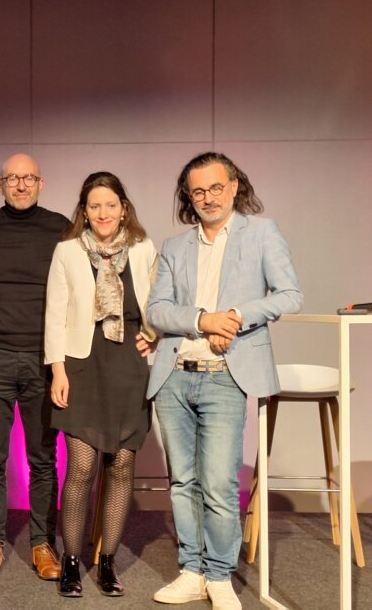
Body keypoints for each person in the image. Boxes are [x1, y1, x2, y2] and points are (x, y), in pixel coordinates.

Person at [148, 152, 302, 610]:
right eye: (198, 191)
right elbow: (157, 311)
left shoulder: (261, 233)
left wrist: (235, 316)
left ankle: (219, 575)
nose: (208, 198)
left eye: (216, 188)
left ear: (234, 186)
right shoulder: (175, 246)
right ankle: (191, 570)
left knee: (217, 483)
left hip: (225, 376)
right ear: (188, 197)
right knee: (182, 483)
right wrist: (202, 319)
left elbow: (291, 294)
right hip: (175, 375)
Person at [0, 153, 69, 581]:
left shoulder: (61, 227)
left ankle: (43, 545)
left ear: (41, 182)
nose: (20, 185)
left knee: (43, 459)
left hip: (45, 357)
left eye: (28, 178)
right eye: (12, 179)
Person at [45, 172, 158, 598]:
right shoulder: (67, 252)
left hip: (130, 367)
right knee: (81, 467)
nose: (103, 213)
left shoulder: (144, 249)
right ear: (84, 211)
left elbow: (158, 304)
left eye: (110, 205)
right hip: (81, 366)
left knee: (122, 467)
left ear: (123, 208)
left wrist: (157, 335)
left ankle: (107, 561)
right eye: (95, 206)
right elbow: (54, 315)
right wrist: (56, 369)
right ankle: (71, 562)